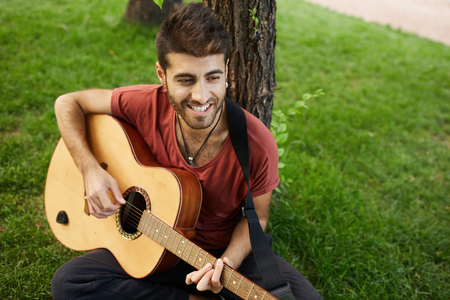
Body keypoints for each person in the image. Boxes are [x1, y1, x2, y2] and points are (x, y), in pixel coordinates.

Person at [51, 2, 323, 300]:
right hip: (148, 245)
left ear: (227, 70)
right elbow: (68, 103)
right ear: (161, 74)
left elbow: (257, 218)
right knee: (70, 283)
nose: (202, 96)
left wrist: (226, 263)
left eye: (213, 77)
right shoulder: (143, 103)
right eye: (185, 80)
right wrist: (90, 170)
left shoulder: (256, 143)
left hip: (220, 254)